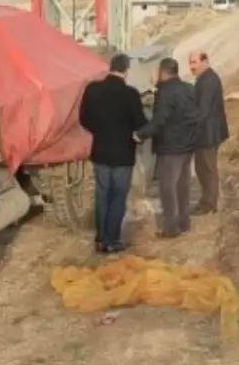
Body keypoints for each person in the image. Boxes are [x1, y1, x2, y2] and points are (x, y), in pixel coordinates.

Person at [78, 53, 147, 253]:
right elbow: (140, 124)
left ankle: (100, 239)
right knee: (118, 198)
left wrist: (99, 131)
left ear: (111, 67)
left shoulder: (92, 89)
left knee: (102, 196)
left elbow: (83, 119)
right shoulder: (131, 94)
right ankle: (113, 240)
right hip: (124, 154)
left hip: (100, 152)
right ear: (126, 70)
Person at [134, 57, 200, 238]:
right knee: (182, 187)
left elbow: (159, 121)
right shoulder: (189, 89)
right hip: (187, 146)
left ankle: (171, 228)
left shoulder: (166, 93)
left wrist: (139, 135)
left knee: (168, 188)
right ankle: (184, 223)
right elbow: (195, 115)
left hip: (170, 148)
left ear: (163, 72)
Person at [189, 51, 229, 215]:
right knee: (202, 167)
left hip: (208, 132)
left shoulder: (208, 80)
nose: (192, 67)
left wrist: (190, 126)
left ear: (205, 61)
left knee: (207, 168)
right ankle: (207, 201)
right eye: (190, 63)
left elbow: (203, 110)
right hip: (208, 131)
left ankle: (209, 204)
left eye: (194, 62)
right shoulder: (206, 78)